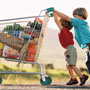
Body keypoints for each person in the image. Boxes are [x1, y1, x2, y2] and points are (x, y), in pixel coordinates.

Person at [53, 11, 88, 86]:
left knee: (71, 65)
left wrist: (54, 13)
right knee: (68, 65)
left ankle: (82, 77)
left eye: (60, 22)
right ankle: (73, 79)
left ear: (63, 24)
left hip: (69, 49)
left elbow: (56, 21)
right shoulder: (68, 32)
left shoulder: (63, 30)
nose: (58, 23)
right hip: (71, 49)